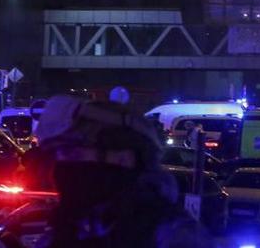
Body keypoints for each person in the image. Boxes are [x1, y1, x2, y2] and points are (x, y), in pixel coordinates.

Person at [35, 94, 209, 248]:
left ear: (123, 158)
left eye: (73, 154)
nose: (63, 167)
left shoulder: (173, 235)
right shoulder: (72, 228)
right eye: (59, 156)